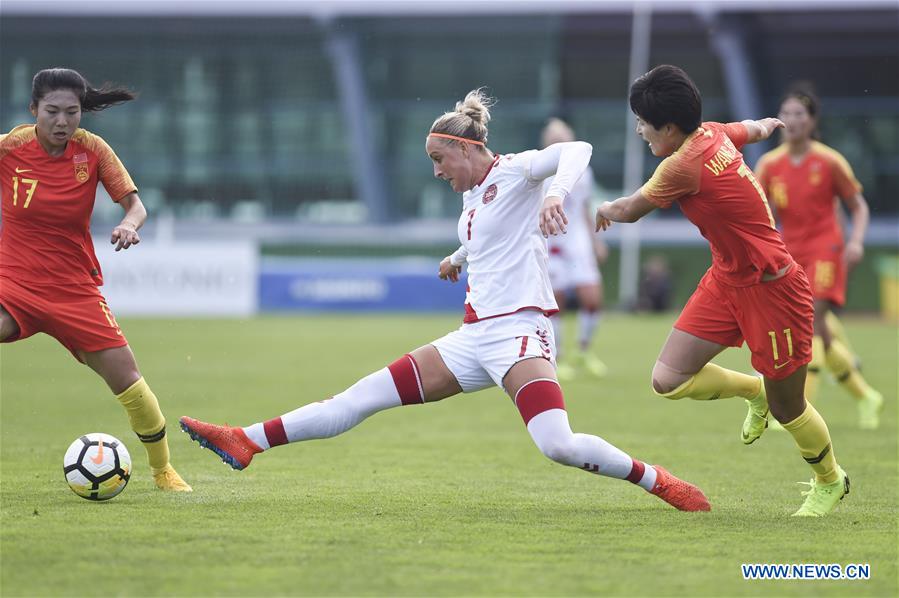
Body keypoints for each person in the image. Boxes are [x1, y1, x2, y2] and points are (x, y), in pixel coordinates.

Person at [180, 89, 710, 512]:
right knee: (358, 398)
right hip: (474, 336)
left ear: (466, 148)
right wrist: (460, 255)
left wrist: (553, 193)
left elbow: (578, 151)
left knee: (558, 446)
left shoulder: (515, 170)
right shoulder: (474, 197)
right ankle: (245, 440)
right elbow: (492, 235)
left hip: (520, 331)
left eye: (439, 159)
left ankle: (659, 481)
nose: (437, 171)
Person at [595, 65, 848, 517]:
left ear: (669, 128)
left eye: (644, 123)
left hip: (775, 292)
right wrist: (767, 124)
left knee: (789, 407)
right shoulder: (711, 132)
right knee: (667, 381)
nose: (639, 130)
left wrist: (597, 209)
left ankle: (830, 479)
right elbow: (748, 129)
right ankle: (754, 392)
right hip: (726, 282)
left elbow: (630, 210)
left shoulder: (682, 165)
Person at [0, 68, 191, 492]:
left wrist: (130, 224)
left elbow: (135, 205)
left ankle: (163, 472)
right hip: (13, 283)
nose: (63, 121)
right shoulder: (10, 148)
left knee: (130, 383)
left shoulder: (93, 151)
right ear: (34, 110)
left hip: (74, 291)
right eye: (52, 112)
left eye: (72, 112)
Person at [755, 83, 882, 429]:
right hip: (789, 255)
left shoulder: (829, 161)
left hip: (826, 249)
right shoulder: (768, 165)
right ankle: (864, 395)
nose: (791, 120)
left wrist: (854, 242)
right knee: (817, 329)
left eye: (799, 114)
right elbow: (759, 214)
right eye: (786, 113)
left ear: (812, 121)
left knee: (809, 323)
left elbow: (858, 206)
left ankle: (797, 409)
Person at [540, 118, 609, 380]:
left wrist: (595, 241)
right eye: (554, 139)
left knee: (592, 298)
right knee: (556, 303)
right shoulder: (540, 171)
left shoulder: (583, 170)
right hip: (553, 244)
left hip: (577, 242)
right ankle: (556, 357)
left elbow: (583, 206)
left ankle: (583, 351)